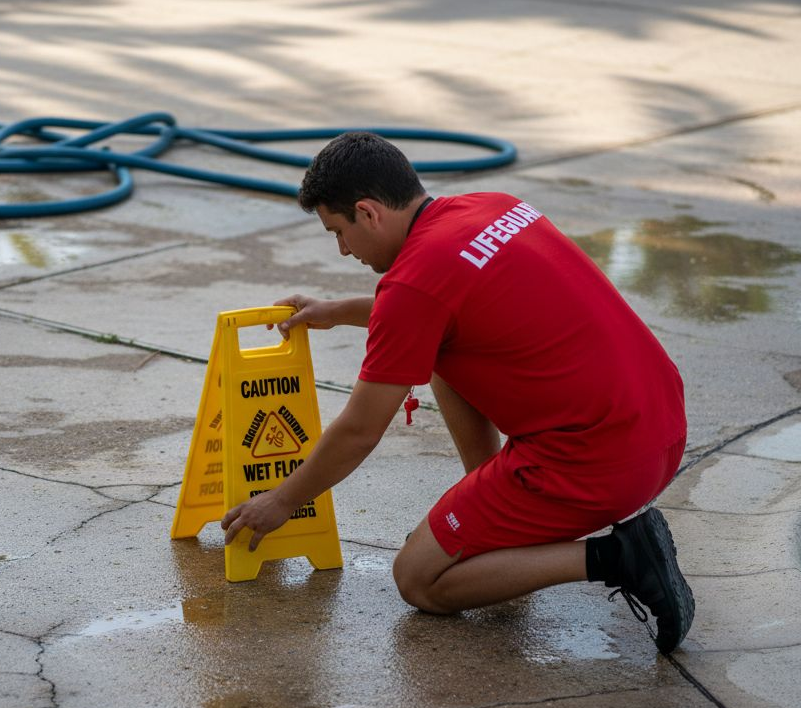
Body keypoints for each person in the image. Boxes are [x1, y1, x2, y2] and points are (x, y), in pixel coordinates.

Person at [220, 132, 694, 654]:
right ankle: (502, 517)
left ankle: (618, 557)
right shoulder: (493, 207)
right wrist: (336, 311)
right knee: (443, 355)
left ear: (368, 212)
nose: (343, 250)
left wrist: (283, 501)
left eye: (339, 232)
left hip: (597, 463)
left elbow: (359, 429)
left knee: (419, 578)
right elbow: (436, 302)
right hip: (660, 425)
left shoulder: (414, 288)